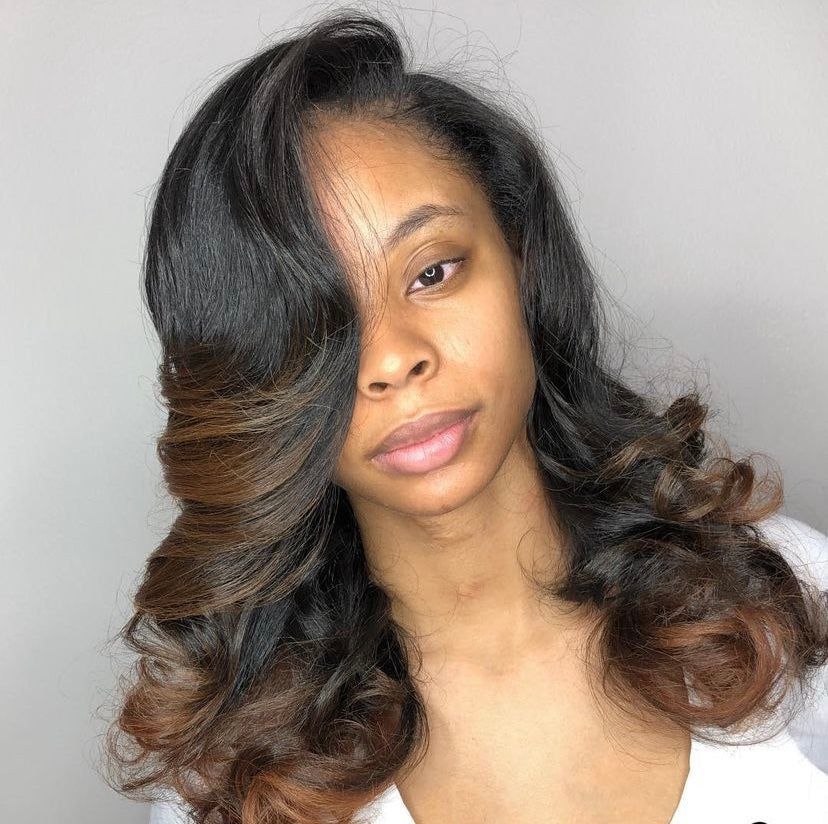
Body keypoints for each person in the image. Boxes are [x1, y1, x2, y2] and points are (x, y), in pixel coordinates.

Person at [103, 9, 828, 824]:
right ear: (251, 387)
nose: (391, 359)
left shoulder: (787, 601)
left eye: (432, 272)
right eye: (318, 327)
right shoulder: (233, 782)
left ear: (518, 255)